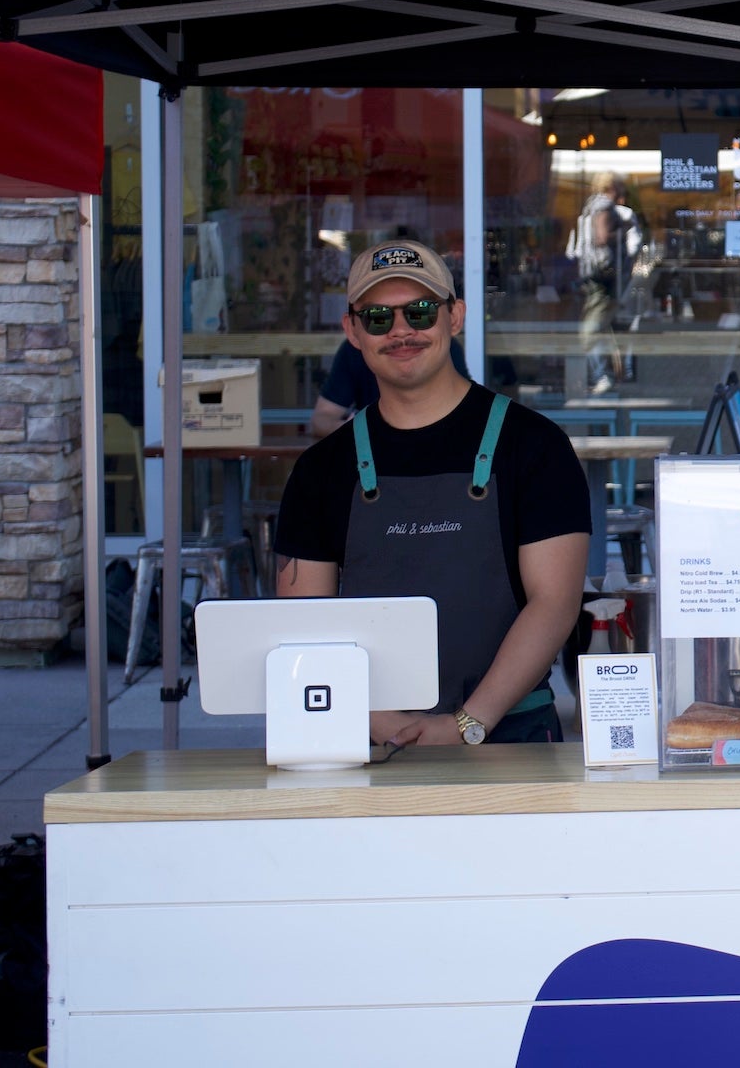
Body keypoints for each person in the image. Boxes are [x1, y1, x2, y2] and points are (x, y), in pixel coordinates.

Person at [276, 240, 590, 746]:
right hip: (360, 738)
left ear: (455, 317)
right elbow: (306, 624)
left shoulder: (535, 447)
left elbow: (554, 603)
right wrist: (381, 722)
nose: (401, 330)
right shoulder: (319, 470)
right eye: (378, 317)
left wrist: (469, 722)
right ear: (352, 331)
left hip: (512, 738)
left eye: (420, 312)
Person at [571, 173, 646, 393]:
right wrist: (622, 232)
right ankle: (601, 375)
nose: (622, 196)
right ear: (611, 188)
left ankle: (607, 373)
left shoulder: (591, 205)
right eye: (620, 190)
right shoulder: (604, 206)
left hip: (595, 276)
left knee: (600, 327)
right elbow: (602, 237)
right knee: (592, 330)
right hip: (604, 276)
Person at [311, 333, 468, 436]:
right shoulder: (357, 348)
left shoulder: (442, 346)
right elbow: (321, 419)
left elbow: (469, 414)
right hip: (372, 465)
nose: (400, 329)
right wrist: (352, 430)